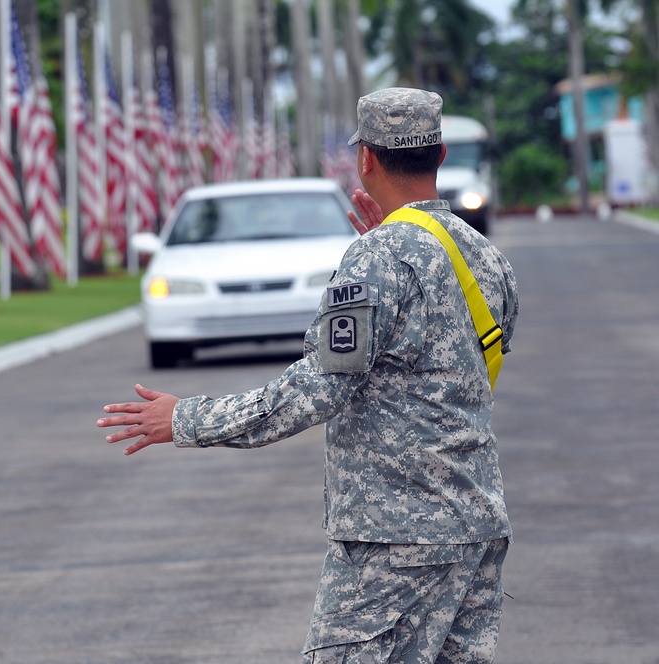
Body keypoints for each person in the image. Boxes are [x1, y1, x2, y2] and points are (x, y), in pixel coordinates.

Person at [97, 87, 519, 663]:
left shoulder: (377, 260)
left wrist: (185, 418)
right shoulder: (484, 257)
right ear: (440, 154)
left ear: (365, 158)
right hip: (475, 524)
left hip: (394, 538)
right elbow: (451, 368)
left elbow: (316, 389)